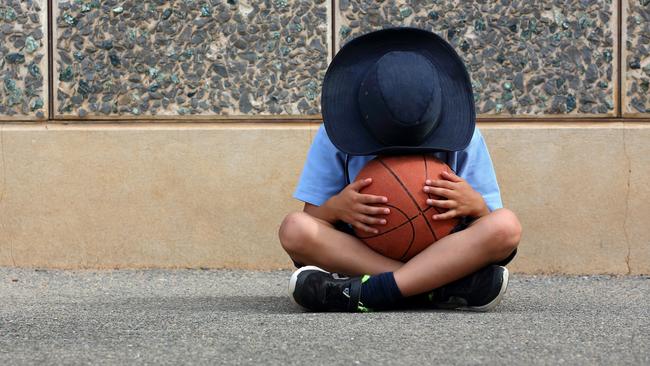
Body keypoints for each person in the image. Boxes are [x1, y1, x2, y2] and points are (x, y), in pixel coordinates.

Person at [278, 28, 521, 312]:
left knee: (506, 227)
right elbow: (313, 219)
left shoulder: (465, 136)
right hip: (365, 250)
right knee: (294, 229)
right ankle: (434, 288)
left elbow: (488, 220)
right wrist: (336, 208)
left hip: (444, 249)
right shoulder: (334, 135)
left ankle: (367, 291)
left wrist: (476, 206)